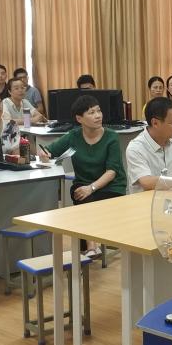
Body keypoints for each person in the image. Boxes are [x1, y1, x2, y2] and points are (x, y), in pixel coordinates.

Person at [38, 94, 127, 258]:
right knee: (80, 194)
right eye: (91, 113)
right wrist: (44, 154)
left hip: (110, 186)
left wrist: (91, 188)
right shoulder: (74, 136)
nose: (98, 116)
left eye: (99, 111)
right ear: (79, 119)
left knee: (85, 198)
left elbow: (112, 172)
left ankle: (91, 247)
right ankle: (91, 247)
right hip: (83, 185)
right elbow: (48, 150)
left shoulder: (111, 137)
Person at [125, 97, 172, 192]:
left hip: (171, 197)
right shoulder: (136, 148)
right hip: (145, 199)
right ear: (155, 123)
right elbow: (146, 182)